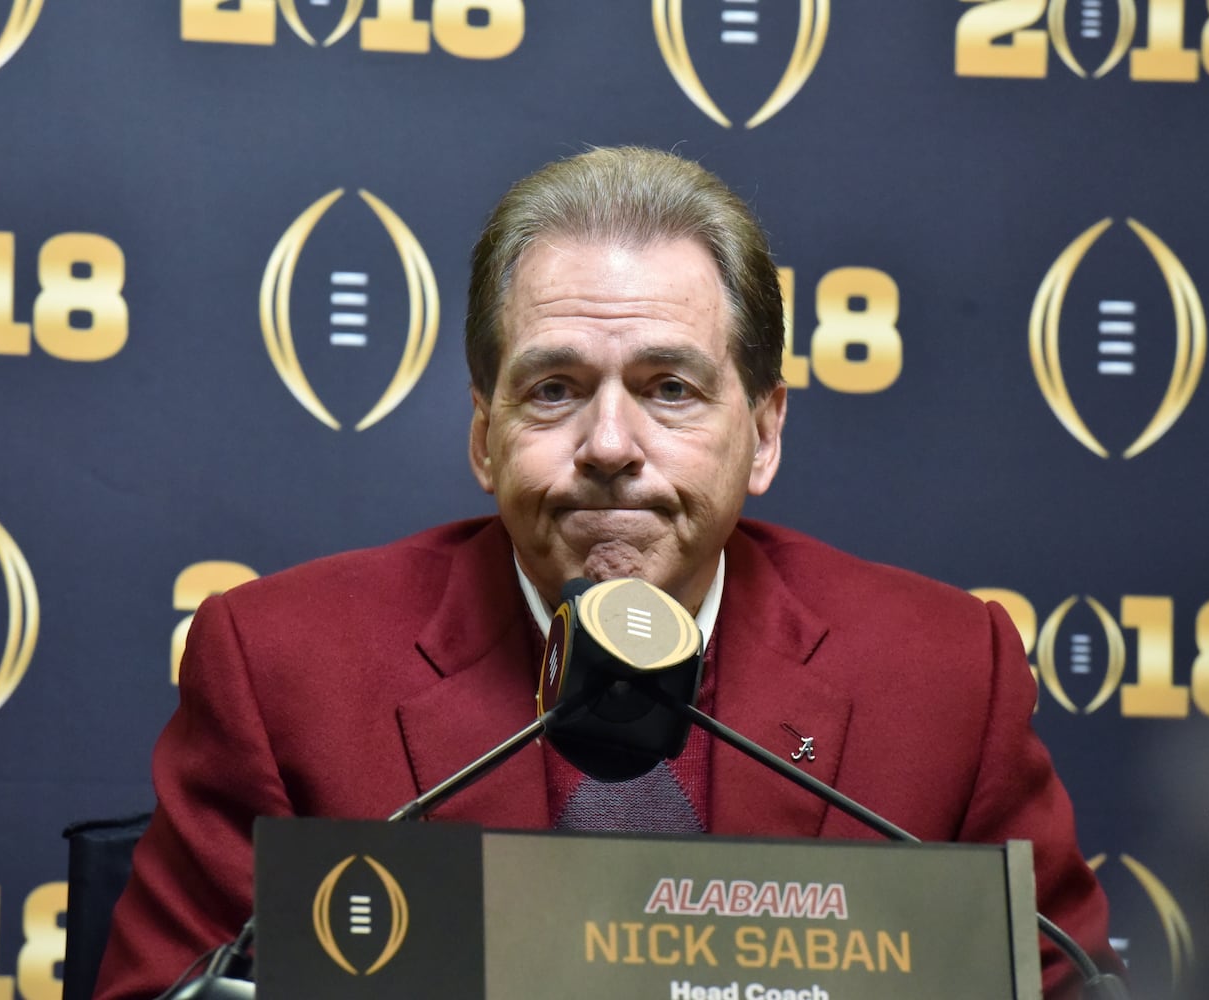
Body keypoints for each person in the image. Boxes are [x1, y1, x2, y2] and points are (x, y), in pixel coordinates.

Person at [94, 146, 1118, 998]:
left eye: (670, 387)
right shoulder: (282, 668)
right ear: (485, 438)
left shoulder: (946, 674)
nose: (610, 444)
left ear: (762, 434)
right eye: (555, 389)